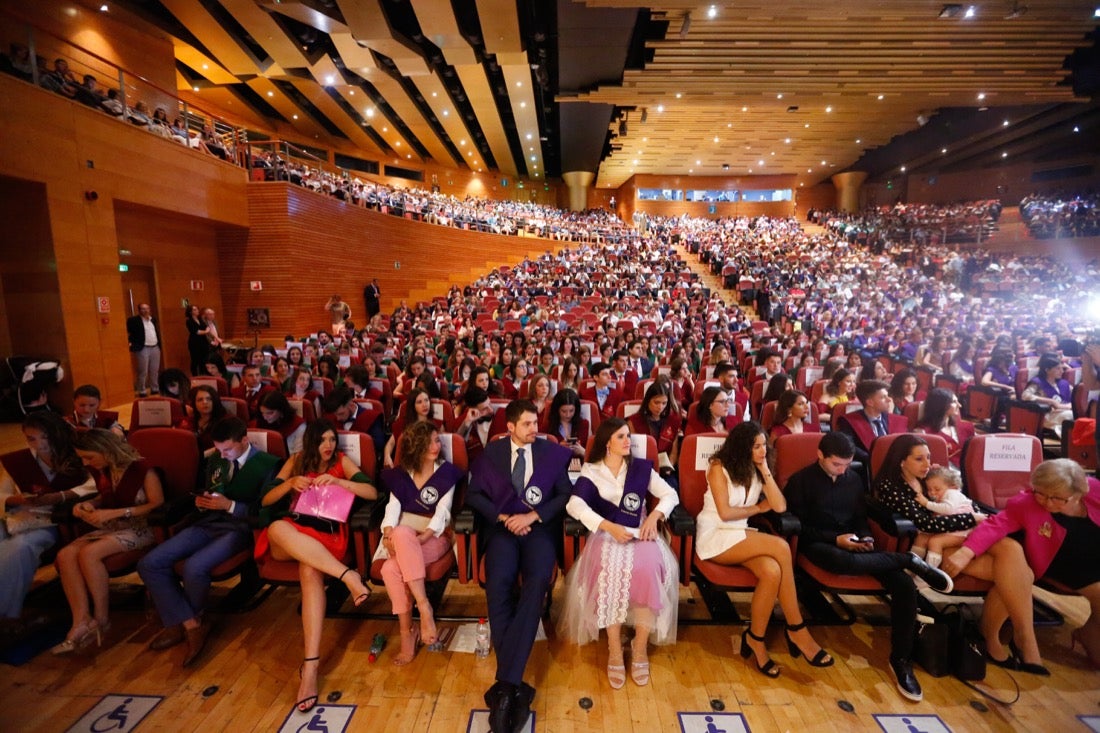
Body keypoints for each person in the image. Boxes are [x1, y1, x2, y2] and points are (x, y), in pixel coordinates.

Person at [785, 431, 952, 701]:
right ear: (820, 456)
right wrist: (835, 539)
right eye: (835, 464)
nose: (841, 470)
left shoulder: (852, 479)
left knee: (904, 584)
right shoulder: (801, 481)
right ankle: (909, 559)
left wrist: (866, 536)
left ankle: (901, 660)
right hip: (820, 543)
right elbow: (799, 527)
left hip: (855, 545)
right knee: (844, 560)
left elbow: (860, 517)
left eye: (846, 465)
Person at [255, 419, 378, 712]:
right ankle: (347, 576)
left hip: (327, 534)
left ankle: (309, 668)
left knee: (309, 569)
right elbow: (266, 500)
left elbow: (371, 492)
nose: (328, 446)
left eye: (332, 440)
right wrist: (290, 483)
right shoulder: (296, 461)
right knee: (274, 529)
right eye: (322, 440)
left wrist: (339, 481)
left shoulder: (340, 461)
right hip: (294, 530)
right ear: (311, 442)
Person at [465, 400, 572, 733]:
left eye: (535, 422)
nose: (534, 429)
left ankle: (505, 686)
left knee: (537, 580)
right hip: (503, 529)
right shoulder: (492, 454)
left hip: (538, 529)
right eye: (527, 424)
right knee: (498, 581)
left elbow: (564, 495)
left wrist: (532, 516)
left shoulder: (549, 453)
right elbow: (474, 495)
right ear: (510, 427)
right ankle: (512, 684)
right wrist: (503, 517)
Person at [137, 417, 280, 666]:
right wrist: (202, 502)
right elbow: (209, 488)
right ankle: (191, 623)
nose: (223, 455)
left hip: (239, 529)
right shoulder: (216, 459)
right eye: (219, 449)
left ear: (244, 441)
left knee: (195, 566)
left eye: (228, 450)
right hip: (207, 523)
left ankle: (184, 621)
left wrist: (230, 505)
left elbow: (265, 511)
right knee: (150, 562)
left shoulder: (269, 465)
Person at [697, 422, 832, 677]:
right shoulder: (718, 467)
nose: (761, 450)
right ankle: (797, 629)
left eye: (763, 446)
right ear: (741, 447)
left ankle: (755, 639)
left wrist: (765, 469)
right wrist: (759, 509)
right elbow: (725, 513)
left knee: (771, 571)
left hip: (739, 533)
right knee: (780, 546)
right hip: (714, 534)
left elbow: (779, 506)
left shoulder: (759, 467)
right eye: (756, 446)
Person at [943, 459, 1097, 674]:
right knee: (1015, 569)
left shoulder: (1095, 491)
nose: (1046, 502)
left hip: (1088, 561)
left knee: (1012, 574)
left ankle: (1083, 633)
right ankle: (1023, 638)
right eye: (1040, 493)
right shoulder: (1026, 502)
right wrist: (966, 552)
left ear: (1078, 494)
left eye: (1056, 498)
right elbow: (995, 525)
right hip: (1057, 566)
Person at [557, 418, 680, 688]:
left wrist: (654, 517)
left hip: (642, 531)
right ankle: (614, 647)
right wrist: (608, 526)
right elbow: (574, 505)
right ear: (607, 443)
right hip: (607, 532)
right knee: (606, 571)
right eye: (621, 437)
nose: (628, 441)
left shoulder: (639, 470)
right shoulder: (592, 471)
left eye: (628, 436)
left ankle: (639, 647)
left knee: (647, 571)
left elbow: (670, 495)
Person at [52, 429, 165, 654]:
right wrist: (91, 505)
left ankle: (101, 619)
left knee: (89, 553)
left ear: (106, 450)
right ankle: (80, 621)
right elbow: (107, 496)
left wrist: (116, 514)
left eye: (89, 457)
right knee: (65, 555)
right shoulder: (104, 469)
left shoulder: (142, 469)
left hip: (141, 527)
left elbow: (156, 503)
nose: (86, 463)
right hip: (115, 525)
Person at [376, 421, 462, 665]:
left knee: (401, 541)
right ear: (416, 447)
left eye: (436, 440)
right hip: (405, 539)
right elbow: (393, 507)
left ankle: (421, 613)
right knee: (389, 568)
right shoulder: (404, 474)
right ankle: (413, 624)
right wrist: (387, 533)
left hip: (434, 536)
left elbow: (443, 511)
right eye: (429, 442)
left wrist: (421, 535)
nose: (435, 446)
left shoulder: (446, 473)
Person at [0, 413, 95, 625]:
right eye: (31, 439)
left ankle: (6, 613)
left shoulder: (75, 456)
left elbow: (94, 483)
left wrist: (62, 496)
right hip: (21, 514)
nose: (39, 444)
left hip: (53, 520)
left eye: (45, 437)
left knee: (20, 547)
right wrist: (18, 500)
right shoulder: (20, 461)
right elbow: (2, 494)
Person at [904, 465, 982, 569]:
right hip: (948, 529)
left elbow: (948, 509)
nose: (932, 492)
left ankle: (930, 575)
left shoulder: (952, 493)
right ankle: (911, 567)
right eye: (929, 489)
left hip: (962, 532)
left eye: (937, 489)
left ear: (952, 486)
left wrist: (927, 503)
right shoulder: (942, 497)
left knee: (935, 542)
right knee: (922, 537)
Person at [836, 379, 907, 465]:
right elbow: (849, 446)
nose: (889, 400)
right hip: (868, 466)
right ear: (870, 402)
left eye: (887, 396)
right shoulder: (849, 421)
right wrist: (873, 458)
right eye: (883, 397)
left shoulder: (894, 420)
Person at [627, 382, 682, 478]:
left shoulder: (673, 420)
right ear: (648, 401)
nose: (660, 407)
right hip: (641, 469)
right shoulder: (634, 421)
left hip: (665, 471)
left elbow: (674, 451)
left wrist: (670, 466)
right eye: (656, 402)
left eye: (664, 403)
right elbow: (632, 451)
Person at [914, 388, 974, 466]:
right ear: (941, 405)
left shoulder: (966, 428)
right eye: (954, 402)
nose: (960, 405)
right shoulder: (923, 433)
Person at [1021, 352, 1073, 438]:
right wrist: (1051, 401)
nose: (1062, 371)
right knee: (1069, 415)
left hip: (1064, 410)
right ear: (1047, 370)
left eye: (1062, 368)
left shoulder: (1063, 383)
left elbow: (1076, 395)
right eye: (1058, 368)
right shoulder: (1038, 382)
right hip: (1048, 414)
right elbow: (1025, 395)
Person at [251, 390, 307, 455]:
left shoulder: (298, 425)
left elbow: (297, 455)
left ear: (281, 410)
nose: (265, 417)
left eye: (270, 413)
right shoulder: (260, 421)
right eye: (262, 413)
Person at [126, 303, 161, 397]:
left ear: (149, 309)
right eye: (143, 309)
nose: (145, 311)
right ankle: (141, 390)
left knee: (154, 370)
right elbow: (129, 333)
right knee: (143, 370)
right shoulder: (133, 320)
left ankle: (154, 388)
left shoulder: (153, 319)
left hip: (155, 347)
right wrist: (131, 343)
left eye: (147, 308)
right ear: (139, 310)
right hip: (143, 348)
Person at [544, 388, 589, 459]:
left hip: (578, 463)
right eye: (564, 411)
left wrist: (582, 451)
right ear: (557, 410)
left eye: (571, 411)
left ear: (576, 409)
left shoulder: (583, 424)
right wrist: (558, 449)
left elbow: (591, 456)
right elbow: (543, 454)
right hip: (556, 463)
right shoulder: (548, 426)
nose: (568, 415)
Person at [183, 385, 227, 457]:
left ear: (215, 401)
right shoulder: (190, 421)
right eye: (200, 400)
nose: (205, 402)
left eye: (209, 399)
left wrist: (201, 456)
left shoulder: (225, 422)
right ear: (194, 403)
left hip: (214, 460)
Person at [186, 305, 211, 376]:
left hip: (203, 342)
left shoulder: (200, 319)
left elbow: (207, 327)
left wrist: (206, 331)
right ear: (191, 312)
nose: (197, 311)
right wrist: (205, 332)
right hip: (195, 343)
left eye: (197, 309)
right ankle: (195, 375)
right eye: (195, 309)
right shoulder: (189, 321)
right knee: (195, 360)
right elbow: (196, 332)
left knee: (204, 360)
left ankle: (204, 374)